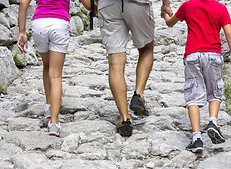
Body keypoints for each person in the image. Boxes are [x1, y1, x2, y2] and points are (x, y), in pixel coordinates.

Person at [161, 0, 231, 153]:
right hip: (214, 55)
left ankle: (197, 138)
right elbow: (229, 33)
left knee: (193, 96)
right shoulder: (221, 8)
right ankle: (212, 122)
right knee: (215, 92)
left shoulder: (187, 6)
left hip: (193, 55)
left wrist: (165, 12)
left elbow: (170, 23)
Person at [17, 0, 91, 137]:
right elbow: (88, 4)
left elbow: (23, 3)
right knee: (56, 74)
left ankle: (48, 107)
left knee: (46, 65)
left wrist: (21, 32)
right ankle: (54, 123)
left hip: (39, 24)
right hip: (59, 23)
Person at [97, 0, 155, 137]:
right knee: (146, 49)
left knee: (115, 64)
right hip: (138, 3)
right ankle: (138, 95)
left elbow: (87, 3)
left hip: (108, 5)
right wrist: (166, 4)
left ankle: (125, 118)